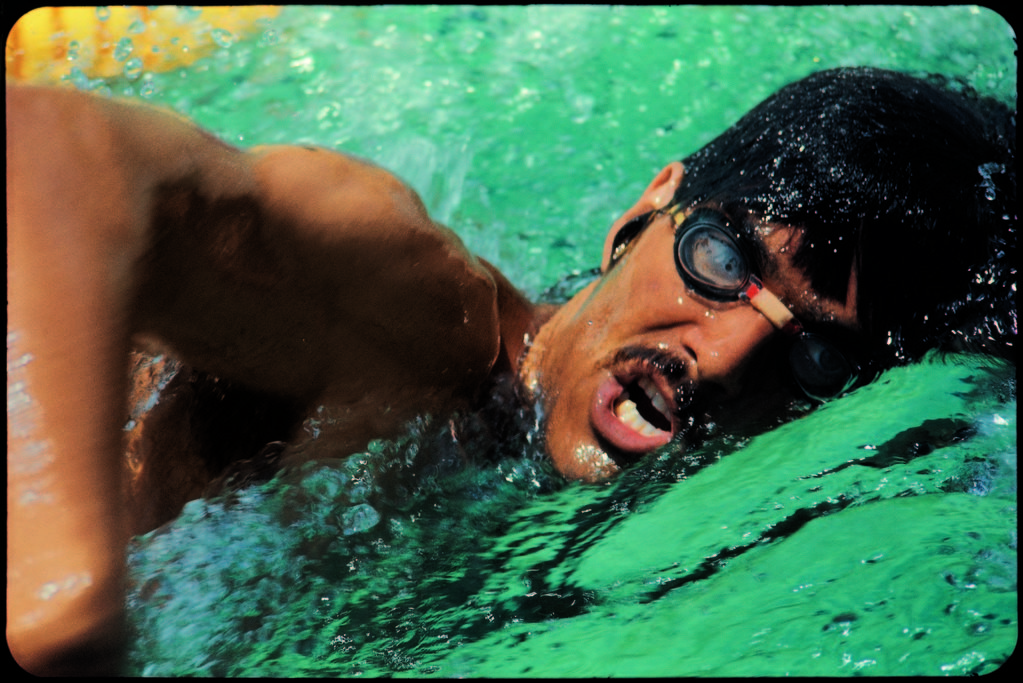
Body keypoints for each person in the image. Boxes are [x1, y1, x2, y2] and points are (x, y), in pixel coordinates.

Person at [7, 67, 1014, 674]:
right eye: (722, 260)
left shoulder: (617, 549)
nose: (717, 357)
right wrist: (66, 594)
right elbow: (43, 145)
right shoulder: (420, 322)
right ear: (644, 208)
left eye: (812, 355)